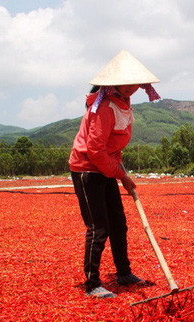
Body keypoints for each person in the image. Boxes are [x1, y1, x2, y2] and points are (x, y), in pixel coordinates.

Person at [69, 50, 161, 299]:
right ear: (114, 83)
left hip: (105, 167)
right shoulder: (105, 107)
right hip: (88, 169)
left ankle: (124, 273)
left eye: (135, 82)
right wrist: (121, 175)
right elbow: (95, 150)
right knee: (99, 227)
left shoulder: (122, 102)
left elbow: (110, 147)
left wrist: (118, 171)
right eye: (127, 82)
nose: (133, 87)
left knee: (118, 224)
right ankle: (92, 284)